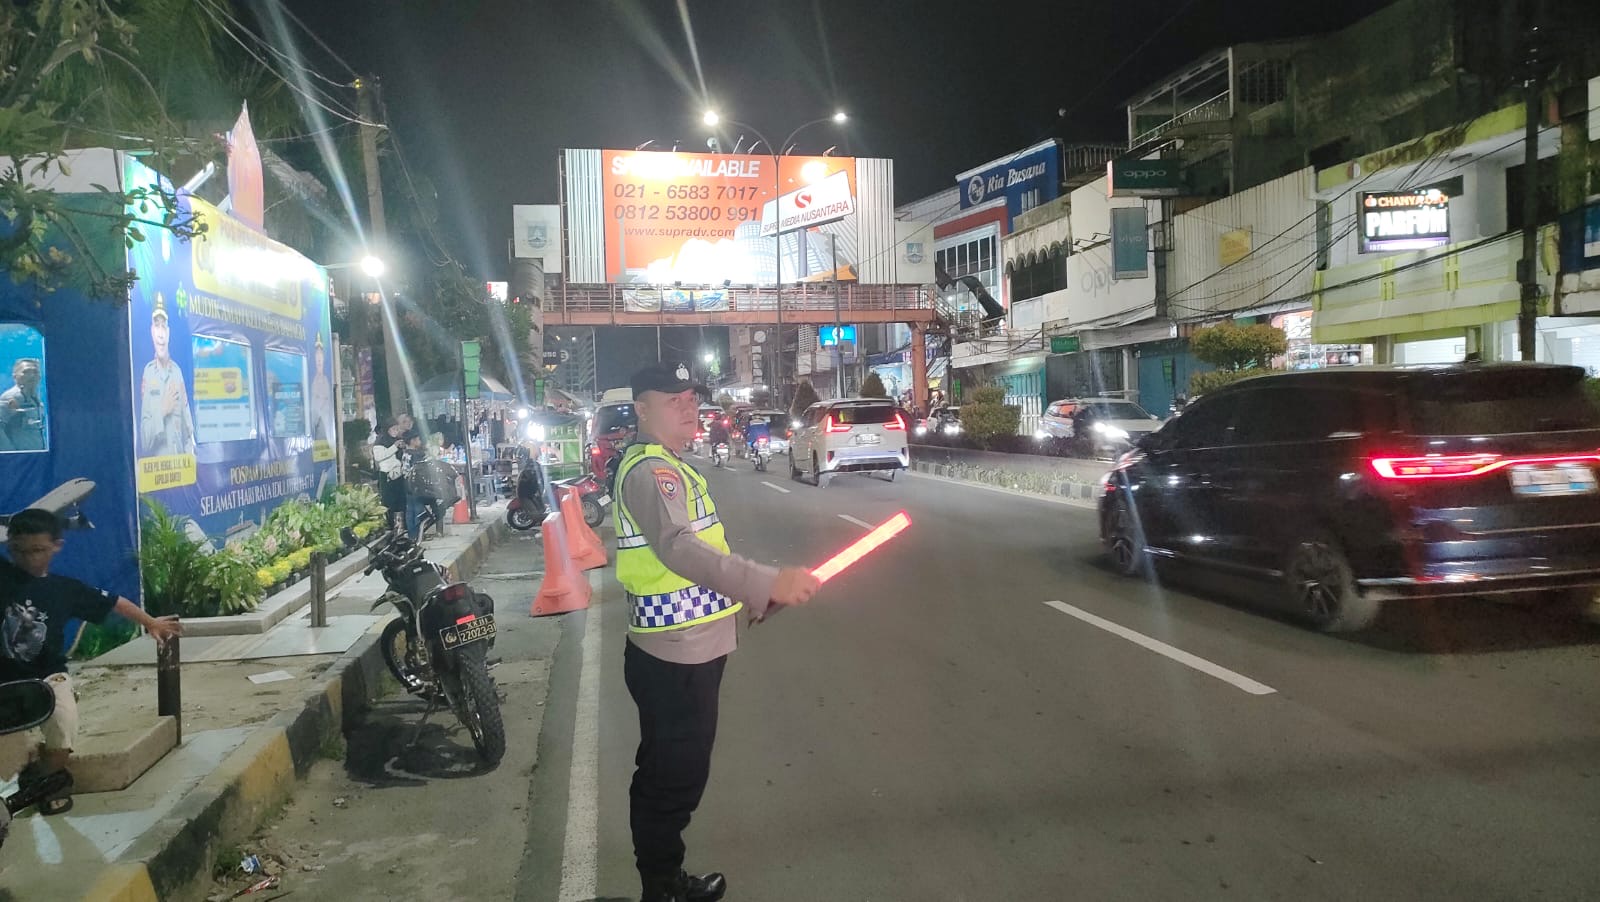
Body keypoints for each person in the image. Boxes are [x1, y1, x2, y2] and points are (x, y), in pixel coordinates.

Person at [614, 362, 821, 902]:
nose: (689, 406)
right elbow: (679, 549)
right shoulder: (650, 471)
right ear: (642, 409)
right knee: (671, 780)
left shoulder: (671, 465)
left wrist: (757, 596)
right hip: (674, 656)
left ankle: (664, 879)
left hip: (688, 649)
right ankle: (661, 888)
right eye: (673, 399)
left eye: (691, 397)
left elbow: (702, 560)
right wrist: (765, 581)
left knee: (676, 774)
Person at [0, 509, 181, 815]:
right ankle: (30, 763)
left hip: (49, 677)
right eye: (18, 550)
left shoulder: (65, 589)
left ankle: (51, 781)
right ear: (8, 546)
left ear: (56, 546)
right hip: (4, 681)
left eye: (38, 550)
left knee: (63, 724)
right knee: (9, 758)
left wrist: (150, 622)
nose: (28, 558)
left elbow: (114, 602)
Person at [139, 292, 196, 457]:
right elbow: (144, 442)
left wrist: (190, 465)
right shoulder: (148, 374)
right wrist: (162, 410)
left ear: (168, 333)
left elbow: (188, 432)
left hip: (180, 470)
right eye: (157, 326)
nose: (161, 334)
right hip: (159, 470)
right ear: (152, 332)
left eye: (163, 326)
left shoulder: (177, 373)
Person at [0, 357, 46, 451]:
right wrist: (10, 452)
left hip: (36, 456)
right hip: (20, 458)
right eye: (26, 372)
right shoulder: (11, 397)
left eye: (35, 372)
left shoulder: (35, 399)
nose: (32, 376)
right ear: (15, 376)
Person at [309, 333, 334, 443]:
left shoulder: (326, 381)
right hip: (316, 426)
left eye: (321, 356)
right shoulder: (312, 380)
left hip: (324, 426)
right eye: (317, 356)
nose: (319, 360)